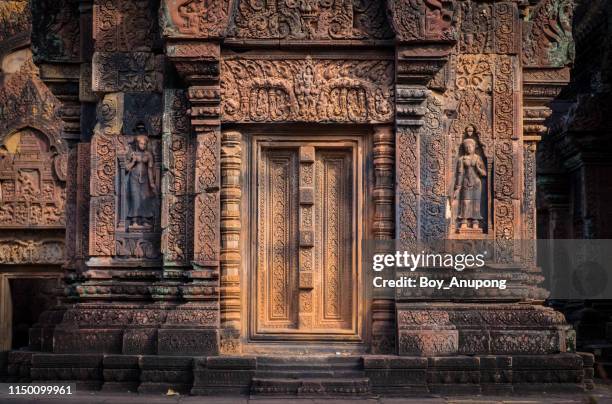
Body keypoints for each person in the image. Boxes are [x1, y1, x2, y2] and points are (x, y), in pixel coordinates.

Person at [454, 136, 486, 230]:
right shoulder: (462, 159)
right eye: (466, 147)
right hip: (466, 182)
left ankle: (475, 221)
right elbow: (459, 174)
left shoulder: (478, 158)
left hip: (476, 183)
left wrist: (478, 168)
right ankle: (464, 220)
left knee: (476, 202)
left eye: (470, 146)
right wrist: (457, 187)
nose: (468, 148)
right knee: (465, 202)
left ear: (474, 147)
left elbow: (484, 173)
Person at [125, 134, 156, 230]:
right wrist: (133, 161)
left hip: (145, 179)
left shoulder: (148, 155)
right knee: (135, 198)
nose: (142, 145)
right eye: (141, 144)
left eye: (144, 144)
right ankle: (134, 220)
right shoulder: (133, 154)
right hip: (134, 178)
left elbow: (150, 169)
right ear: (137, 144)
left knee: (144, 198)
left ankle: (144, 220)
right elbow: (126, 168)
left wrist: (151, 183)